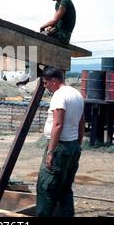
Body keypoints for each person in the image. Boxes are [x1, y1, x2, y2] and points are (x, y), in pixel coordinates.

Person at [36, 67, 85, 217]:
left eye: (45, 83)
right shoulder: (77, 94)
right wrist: (78, 143)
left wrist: (51, 151)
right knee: (65, 188)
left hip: (60, 147)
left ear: (54, 81)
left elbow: (58, 124)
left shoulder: (59, 95)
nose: (45, 87)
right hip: (72, 146)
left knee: (46, 188)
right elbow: (82, 121)